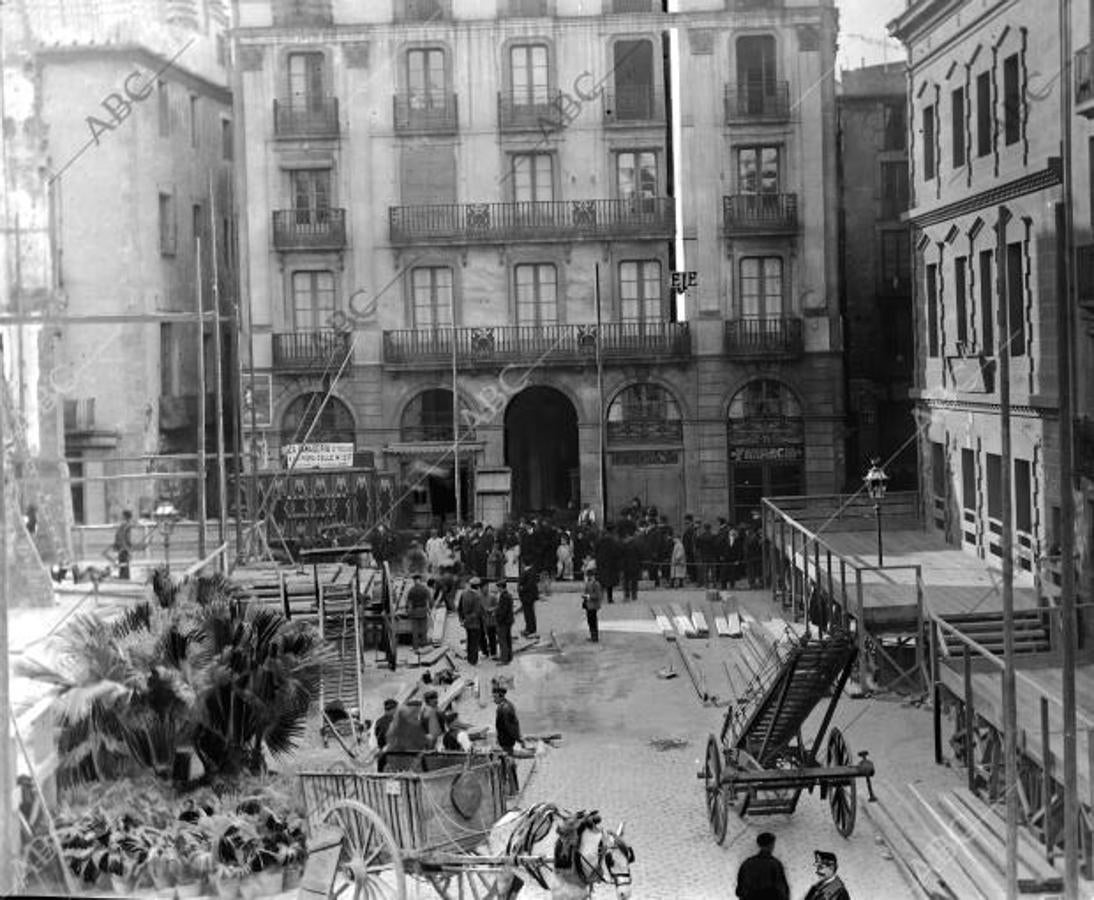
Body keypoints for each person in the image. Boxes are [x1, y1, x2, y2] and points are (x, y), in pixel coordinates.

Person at [735, 832, 789, 900]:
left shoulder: (747, 863)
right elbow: (782, 889)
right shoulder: (775, 864)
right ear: (771, 845)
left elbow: (740, 890)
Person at [458, 577, 486, 665]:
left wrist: (462, 619)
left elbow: (459, 608)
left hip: (467, 622)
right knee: (475, 641)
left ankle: (469, 658)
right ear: (478, 586)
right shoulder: (478, 596)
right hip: (475, 623)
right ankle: (473, 660)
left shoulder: (464, 594)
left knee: (469, 640)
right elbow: (478, 611)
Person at [492, 684, 522, 754]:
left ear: (501, 696)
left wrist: (518, 739)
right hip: (504, 740)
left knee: (506, 759)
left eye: (495, 697)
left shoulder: (505, 708)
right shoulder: (505, 705)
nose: (494, 700)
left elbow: (511, 727)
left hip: (506, 742)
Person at [405, 573, 432, 652]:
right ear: (420, 580)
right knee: (424, 630)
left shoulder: (411, 590)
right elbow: (428, 601)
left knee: (415, 631)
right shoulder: (425, 589)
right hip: (423, 611)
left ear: (414, 581)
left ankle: (415, 647)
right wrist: (428, 610)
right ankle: (424, 646)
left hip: (415, 612)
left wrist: (409, 612)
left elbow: (409, 603)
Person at [110, 510, 138, 580]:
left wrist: (127, 546)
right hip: (122, 546)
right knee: (123, 562)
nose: (121, 516)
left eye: (122, 515)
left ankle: (124, 577)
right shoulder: (125, 525)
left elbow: (125, 537)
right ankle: (123, 576)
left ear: (125, 516)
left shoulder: (125, 525)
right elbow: (120, 536)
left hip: (123, 547)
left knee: (124, 562)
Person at [495, 578, 515, 664]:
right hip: (508, 621)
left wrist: (498, 618)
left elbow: (503, 611)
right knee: (507, 639)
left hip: (504, 621)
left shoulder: (504, 597)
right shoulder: (508, 595)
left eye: (498, 587)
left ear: (501, 587)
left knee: (502, 640)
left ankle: (504, 659)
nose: (497, 589)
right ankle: (509, 657)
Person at [581, 566, 602, 642]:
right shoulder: (589, 583)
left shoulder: (596, 584)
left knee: (593, 621)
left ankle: (595, 637)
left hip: (593, 605)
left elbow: (598, 595)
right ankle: (592, 635)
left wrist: (589, 596)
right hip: (588, 605)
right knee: (590, 621)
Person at [517, 563, 539, 637]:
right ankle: (529, 628)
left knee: (529, 613)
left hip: (528, 596)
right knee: (528, 613)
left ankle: (530, 629)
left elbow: (530, 584)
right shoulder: (528, 571)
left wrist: (522, 588)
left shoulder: (529, 572)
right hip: (527, 596)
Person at [481, 581, 499, 659]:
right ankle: (485, 652)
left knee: (492, 637)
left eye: (487, 587)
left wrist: (492, 609)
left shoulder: (492, 597)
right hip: (482, 620)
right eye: (484, 587)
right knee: (482, 637)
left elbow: (498, 606)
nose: (486, 589)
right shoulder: (478, 597)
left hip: (491, 620)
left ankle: (493, 653)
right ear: (481, 589)